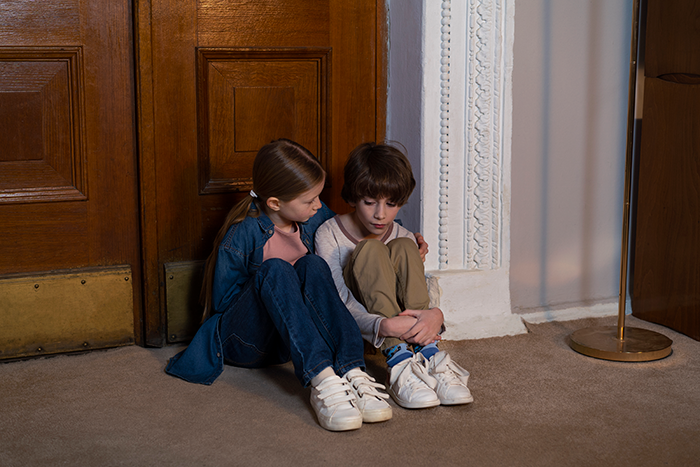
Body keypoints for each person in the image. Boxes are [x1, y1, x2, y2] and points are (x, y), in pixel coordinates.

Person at [165, 139, 392, 432]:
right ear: (274, 203)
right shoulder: (243, 234)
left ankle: (351, 369)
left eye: (318, 198)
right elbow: (225, 304)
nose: (317, 205)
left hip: (289, 342)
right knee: (276, 270)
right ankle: (322, 379)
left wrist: (405, 240)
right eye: (309, 200)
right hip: (246, 342)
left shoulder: (312, 216)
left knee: (313, 264)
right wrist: (273, 289)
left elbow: (346, 233)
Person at [315, 142, 473, 409]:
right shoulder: (328, 233)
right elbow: (338, 300)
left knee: (404, 244)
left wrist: (435, 315)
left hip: (403, 317)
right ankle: (398, 360)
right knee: (370, 250)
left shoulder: (404, 237)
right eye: (369, 202)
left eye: (391, 204)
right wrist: (382, 326)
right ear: (353, 197)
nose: (380, 214)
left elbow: (417, 290)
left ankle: (429, 355)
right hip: (368, 320)